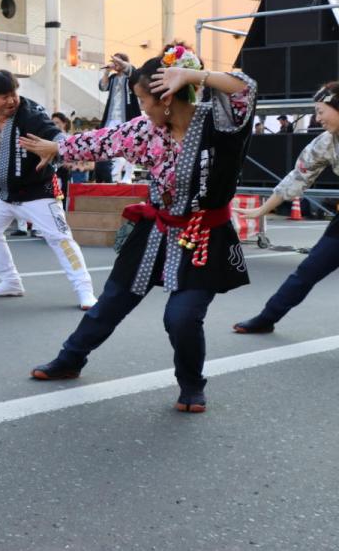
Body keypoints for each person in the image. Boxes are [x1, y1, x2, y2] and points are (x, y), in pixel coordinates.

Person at [24, 45, 257, 413]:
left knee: (181, 317)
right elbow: (101, 140)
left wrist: (194, 75)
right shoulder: (145, 131)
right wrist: (57, 147)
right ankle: (70, 359)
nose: (141, 107)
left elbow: (244, 87)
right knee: (112, 302)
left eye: (143, 99)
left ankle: (192, 384)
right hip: (156, 230)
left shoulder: (221, 122)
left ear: (166, 97)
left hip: (203, 234)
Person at [0, 70, 96, 310]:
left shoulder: (31, 114)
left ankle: (85, 291)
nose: (11, 100)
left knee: (61, 239)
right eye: (4, 96)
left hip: (36, 190)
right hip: (1, 191)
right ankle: (10, 281)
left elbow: (54, 133)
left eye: (14, 93)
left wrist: (58, 146)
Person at [232, 83, 339, 335]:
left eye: (321, 111)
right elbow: (297, 177)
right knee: (308, 270)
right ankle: (267, 317)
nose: (317, 118)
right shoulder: (325, 142)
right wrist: (261, 211)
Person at [96, 53, 139, 183]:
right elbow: (103, 87)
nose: (114, 64)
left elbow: (135, 75)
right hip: (112, 116)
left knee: (129, 145)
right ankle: (116, 173)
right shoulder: (113, 77)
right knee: (112, 144)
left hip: (127, 115)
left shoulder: (131, 75)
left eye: (117, 62)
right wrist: (106, 73)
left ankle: (128, 175)